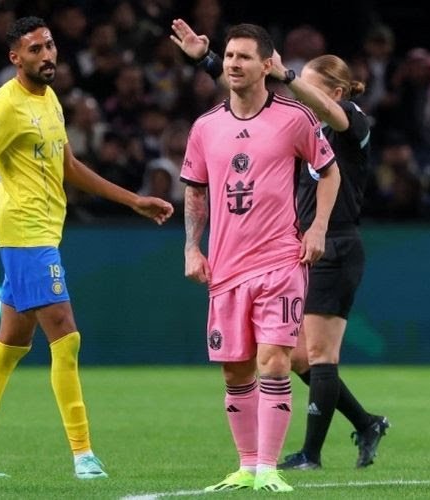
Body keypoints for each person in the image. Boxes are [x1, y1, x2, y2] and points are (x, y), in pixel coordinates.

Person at [0, 16, 173, 480]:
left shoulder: (51, 101)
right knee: (66, 334)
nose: (47, 55)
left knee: (11, 343)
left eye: (50, 46)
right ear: (15, 58)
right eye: (35, 49)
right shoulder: (4, 106)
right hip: (27, 236)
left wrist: (133, 200)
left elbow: (70, 166)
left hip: (44, 234)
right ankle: (83, 455)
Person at [171, 18, 391, 470]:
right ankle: (365, 422)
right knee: (298, 356)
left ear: (334, 91)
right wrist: (209, 60)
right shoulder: (291, 124)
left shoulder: (350, 122)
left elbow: (314, 108)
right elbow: (249, 94)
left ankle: (310, 453)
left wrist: (287, 75)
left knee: (317, 354)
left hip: (333, 241)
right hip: (294, 244)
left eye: (306, 87)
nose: (294, 93)